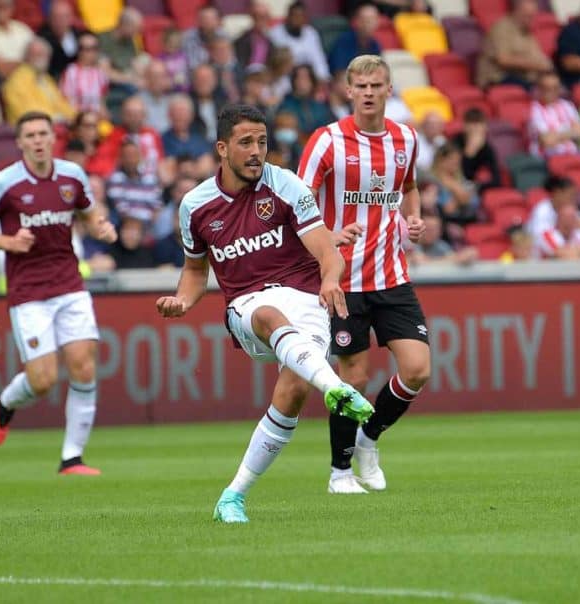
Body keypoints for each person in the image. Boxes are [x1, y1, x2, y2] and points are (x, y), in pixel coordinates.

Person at [156, 103, 374, 523]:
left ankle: (232, 497)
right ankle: (337, 387)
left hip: (307, 300)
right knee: (271, 314)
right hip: (249, 305)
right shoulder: (195, 206)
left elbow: (327, 251)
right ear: (222, 148)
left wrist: (330, 279)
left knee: (292, 392)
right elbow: (195, 272)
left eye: (262, 141)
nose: (256, 151)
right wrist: (182, 301)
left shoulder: (287, 186)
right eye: (245, 143)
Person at [299, 55, 430, 495]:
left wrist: (414, 218)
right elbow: (297, 202)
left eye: (377, 85)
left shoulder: (406, 139)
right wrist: (330, 234)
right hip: (344, 280)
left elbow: (408, 187)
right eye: (362, 86)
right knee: (353, 379)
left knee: (417, 369)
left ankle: (368, 438)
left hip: (392, 275)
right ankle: (339, 472)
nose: (370, 92)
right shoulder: (327, 141)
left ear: (390, 90)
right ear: (348, 91)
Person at [0, 111, 117, 474]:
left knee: (84, 367)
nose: (38, 140)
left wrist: (100, 225)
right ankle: (6, 405)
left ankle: (72, 458)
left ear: (52, 139)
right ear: (20, 142)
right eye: (30, 135)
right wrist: (7, 241)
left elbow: (87, 210)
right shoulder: (5, 182)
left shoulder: (72, 175)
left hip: (69, 283)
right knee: (42, 379)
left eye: (43, 133)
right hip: (28, 291)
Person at [475, 0, 552, 90]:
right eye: (527, 16)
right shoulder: (502, 28)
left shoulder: (526, 32)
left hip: (521, 77)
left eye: (533, 16)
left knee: (552, 84)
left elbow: (539, 57)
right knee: (535, 89)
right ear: (516, 11)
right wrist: (536, 65)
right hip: (497, 78)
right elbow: (503, 59)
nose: (531, 20)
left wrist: (546, 65)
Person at [528, 71, 580, 158]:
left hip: (573, 155)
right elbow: (547, 140)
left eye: (555, 88)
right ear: (538, 89)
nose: (551, 91)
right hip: (547, 159)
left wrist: (556, 135)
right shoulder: (533, 109)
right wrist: (570, 133)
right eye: (546, 88)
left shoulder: (567, 105)